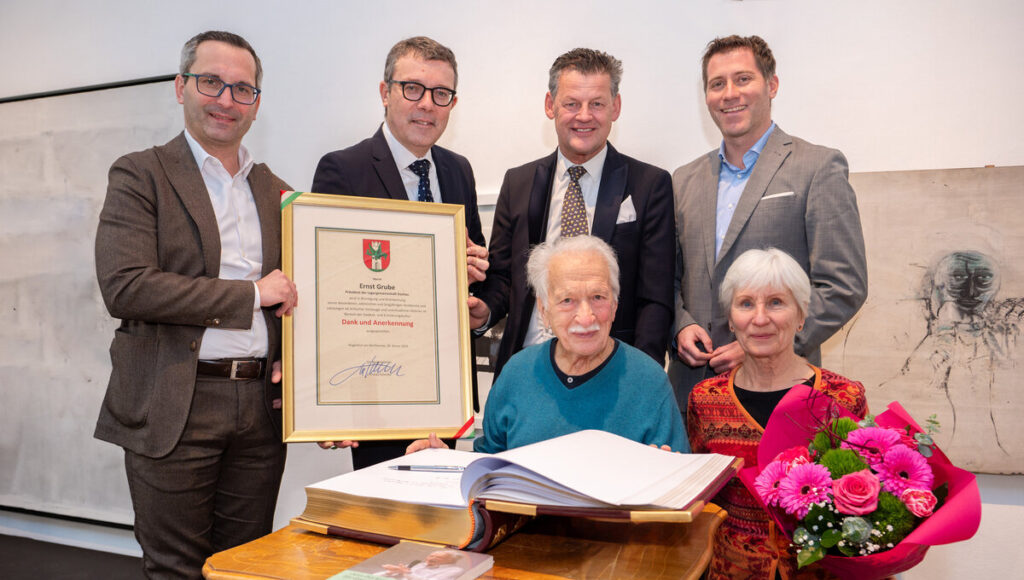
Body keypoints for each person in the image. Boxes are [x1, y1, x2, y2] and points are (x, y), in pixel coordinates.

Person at [93, 31, 296, 578]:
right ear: (181, 87)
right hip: (175, 403)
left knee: (244, 567)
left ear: (257, 103)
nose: (226, 100)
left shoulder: (280, 193)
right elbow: (126, 286)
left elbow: (303, 298)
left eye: (243, 89)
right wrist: (253, 294)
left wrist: (302, 365)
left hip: (259, 409)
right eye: (212, 82)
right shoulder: (141, 175)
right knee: (176, 569)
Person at [311, 36, 488, 469]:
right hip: (376, 386)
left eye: (441, 94)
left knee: (443, 518)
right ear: (384, 92)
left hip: (445, 383)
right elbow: (329, 287)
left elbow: (482, 267)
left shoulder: (458, 169)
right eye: (412, 88)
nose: (426, 104)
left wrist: (481, 307)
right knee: (385, 526)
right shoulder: (343, 169)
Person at [670, 34, 867, 417]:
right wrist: (679, 325)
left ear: (771, 84)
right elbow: (668, 277)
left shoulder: (818, 168)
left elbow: (844, 285)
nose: (730, 94)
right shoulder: (683, 179)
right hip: (692, 392)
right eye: (717, 84)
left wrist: (760, 341)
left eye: (743, 79)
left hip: (782, 392)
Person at [473, 48, 675, 377]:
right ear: (550, 105)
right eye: (571, 104)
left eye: (596, 103)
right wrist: (484, 311)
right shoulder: (518, 182)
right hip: (528, 369)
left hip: (611, 373)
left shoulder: (650, 185)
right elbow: (503, 279)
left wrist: (642, 380)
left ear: (616, 107)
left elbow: (655, 298)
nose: (584, 116)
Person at [410, 235, 688, 455]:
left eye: (598, 298)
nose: (586, 317)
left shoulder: (649, 382)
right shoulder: (516, 374)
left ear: (615, 306)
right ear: (543, 310)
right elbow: (487, 470)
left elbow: (678, 487)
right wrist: (442, 463)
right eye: (567, 300)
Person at [686, 248, 867, 579]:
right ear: (730, 318)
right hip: (731, 570)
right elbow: (698, 497)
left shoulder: (843, 397)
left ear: (801, 315)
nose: (759, 318)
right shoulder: (705, 399)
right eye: (745, 304)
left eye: (776, 303)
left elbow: (866, 497)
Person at [376, 549, 466, 580]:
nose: (431, 558)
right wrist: (389, 573)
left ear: (450, 561)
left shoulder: (455, 570)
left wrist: (407, 573)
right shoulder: (418, 563)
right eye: (431, 555)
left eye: (438, 557)